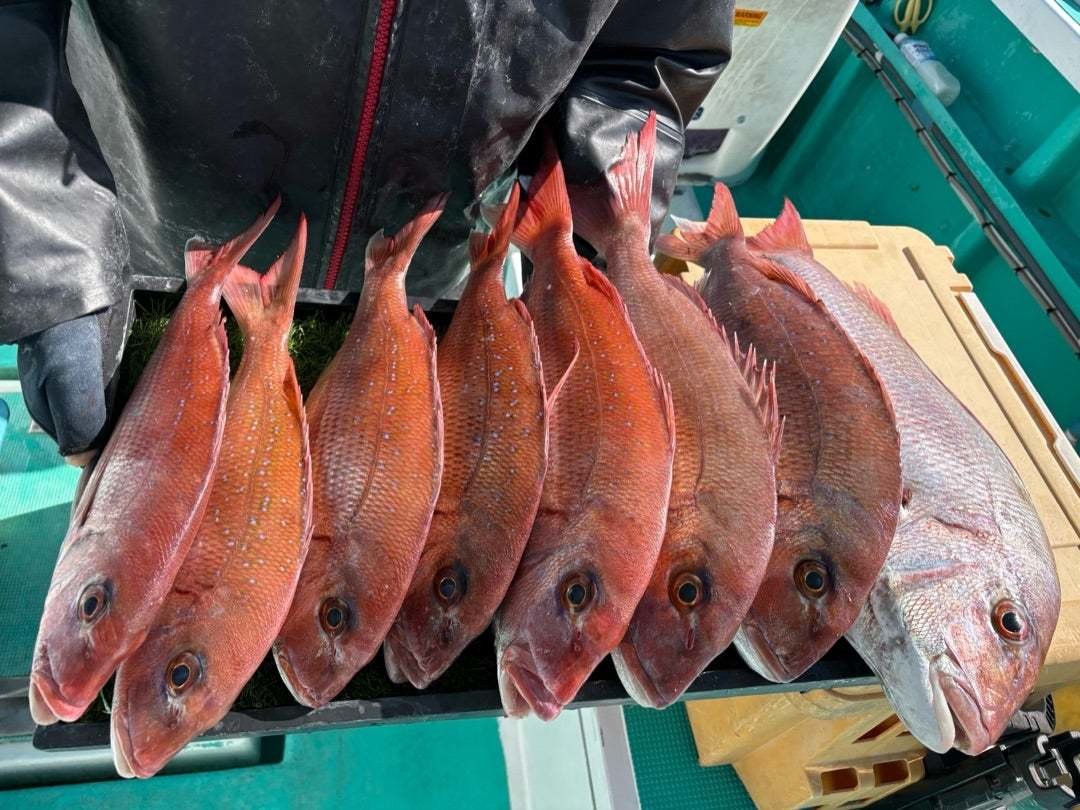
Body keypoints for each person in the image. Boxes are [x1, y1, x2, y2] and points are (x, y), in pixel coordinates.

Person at [1, 0, 734, 462]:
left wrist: (596, 207)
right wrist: (51, 244)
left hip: (436, 253)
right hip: (164, 228)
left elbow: (649, 54)